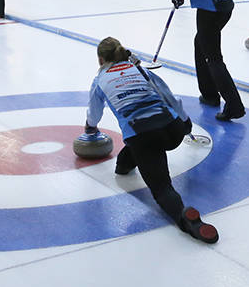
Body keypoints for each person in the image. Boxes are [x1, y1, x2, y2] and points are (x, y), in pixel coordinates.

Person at [85, 37, 218, 244]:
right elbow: (169, 97)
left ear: (101, 60)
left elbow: (94, 114)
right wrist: (185, 122)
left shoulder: (100, 80)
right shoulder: (141, 70)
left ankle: (186, 219)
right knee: (123, 167)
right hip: (172, 130)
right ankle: (125, 162)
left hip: (145, 136)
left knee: (162, 189)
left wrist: (90, 128)